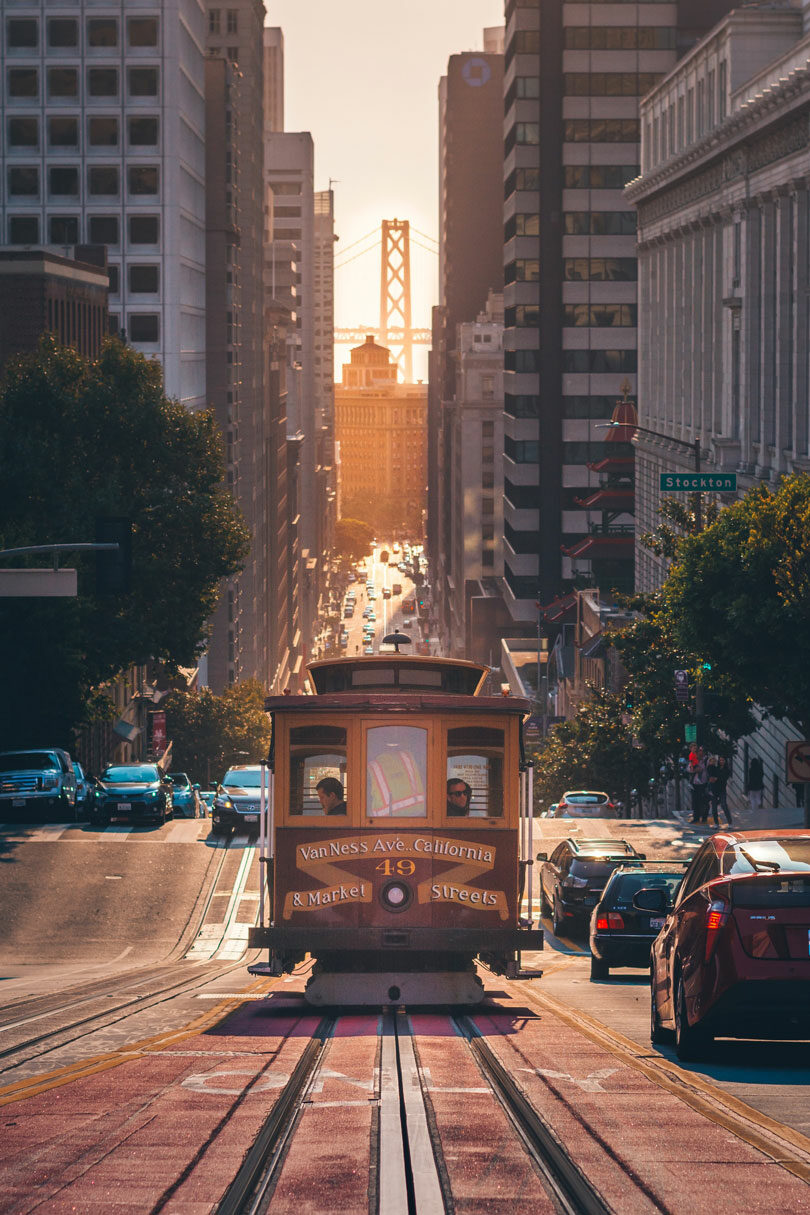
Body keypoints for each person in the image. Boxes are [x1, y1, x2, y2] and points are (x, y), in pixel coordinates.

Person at [707, 755, 732, 827]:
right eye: (720, 760)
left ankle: (730, 823)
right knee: (714, 807)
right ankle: (716, 823)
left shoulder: (727, 770)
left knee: (724, 805)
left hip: (722, 790)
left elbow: (724, 778)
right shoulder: (716, 768)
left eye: (723, 760)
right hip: (714, 789)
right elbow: (710, 772)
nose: (721, 762)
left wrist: (717, 778)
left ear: (725, 761)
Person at [689, 748, 709, 823]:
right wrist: (694, 770)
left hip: (704, 783)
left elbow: (710, 770)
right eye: (698, 751)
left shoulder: (706, 760)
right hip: (695, 784)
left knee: (704, 801)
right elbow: (688, 769)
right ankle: (696, 818)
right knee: (695, 801)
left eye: (701, 751)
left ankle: (704, 818)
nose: (699, 753)